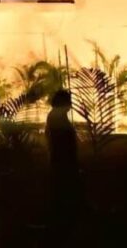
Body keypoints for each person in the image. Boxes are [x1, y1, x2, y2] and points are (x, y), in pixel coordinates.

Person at [45, 87, 83, 220]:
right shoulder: (57, 116)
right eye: (68, 101)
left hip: (62, 159)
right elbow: (62, 139)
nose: (70, 104)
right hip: (63, 160)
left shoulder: (56, 115)